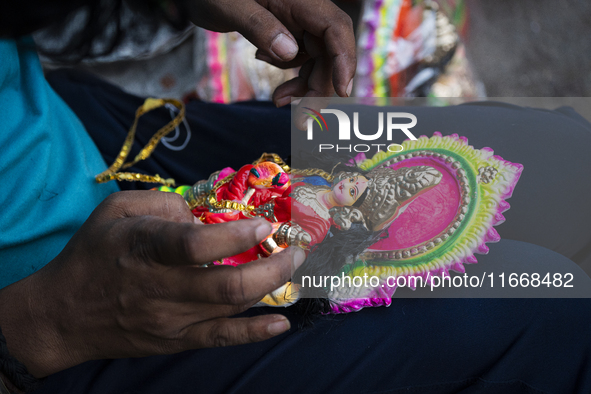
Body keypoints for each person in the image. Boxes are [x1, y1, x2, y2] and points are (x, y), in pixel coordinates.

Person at [1, 2, 591, 394]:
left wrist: (166, 3)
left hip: (94, 135)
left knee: (574, 166)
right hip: (63, 321)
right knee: (553, 308)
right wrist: (42, 324)